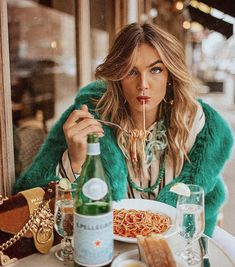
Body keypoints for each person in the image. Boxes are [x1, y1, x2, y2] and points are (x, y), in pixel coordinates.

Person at [14, 23, 234, 237]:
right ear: (118, 78)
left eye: (156, 70)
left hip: (175, 246)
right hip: (103, 246)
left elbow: (202, 202)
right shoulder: (88, 119)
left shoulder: (196, 125)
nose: (143, 84)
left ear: (170, 77)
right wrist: (74, 162)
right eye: (131, 72)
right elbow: (29, 199)